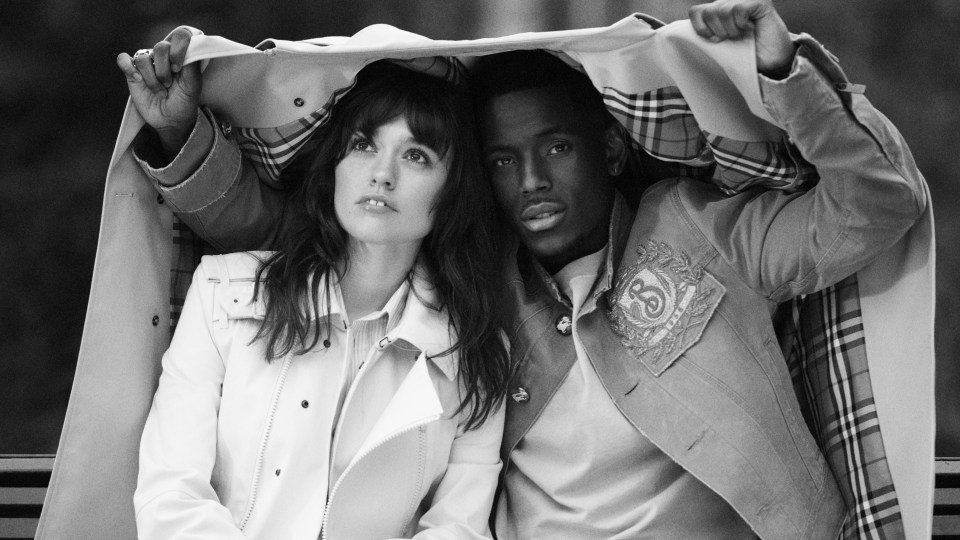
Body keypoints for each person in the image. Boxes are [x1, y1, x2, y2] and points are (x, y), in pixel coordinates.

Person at [119, 0, 929, 537]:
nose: (531, 181)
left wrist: (782, 73)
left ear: (610, 147)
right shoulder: (470, 284)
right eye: (503, 160)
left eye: (557, 147)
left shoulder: (700, 232)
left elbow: (876, 209)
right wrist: (183, 136)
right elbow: (284, 237)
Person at [117, 56, 510, 539]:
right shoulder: (223, 292)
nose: (382, 175)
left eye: (416, 156)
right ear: (335, 169)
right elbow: (170, 494)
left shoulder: (474, 353)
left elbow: (458, 528)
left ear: (453, 191)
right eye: (363, 145)